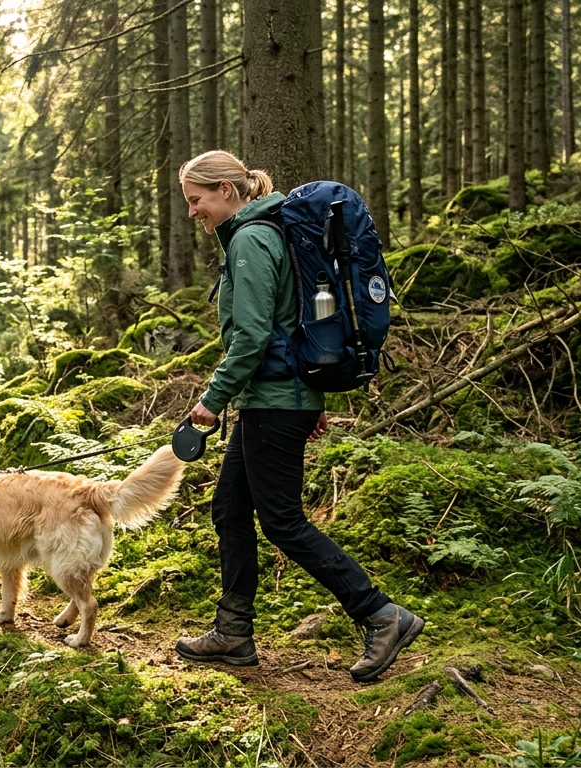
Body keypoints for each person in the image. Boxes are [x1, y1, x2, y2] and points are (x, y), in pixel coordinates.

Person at [172, 150, 425, 683]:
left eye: (196, 200)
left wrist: (211, 401)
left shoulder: (249, 239)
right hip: (276, 399)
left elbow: (253, 335)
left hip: (272, 400)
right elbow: (296, 321)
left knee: (283, 520)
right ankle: (234, 631)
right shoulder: (265, 229)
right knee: (230, 510)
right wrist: (308, 399)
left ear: (226, 190)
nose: (193, 212)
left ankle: (381, 614)